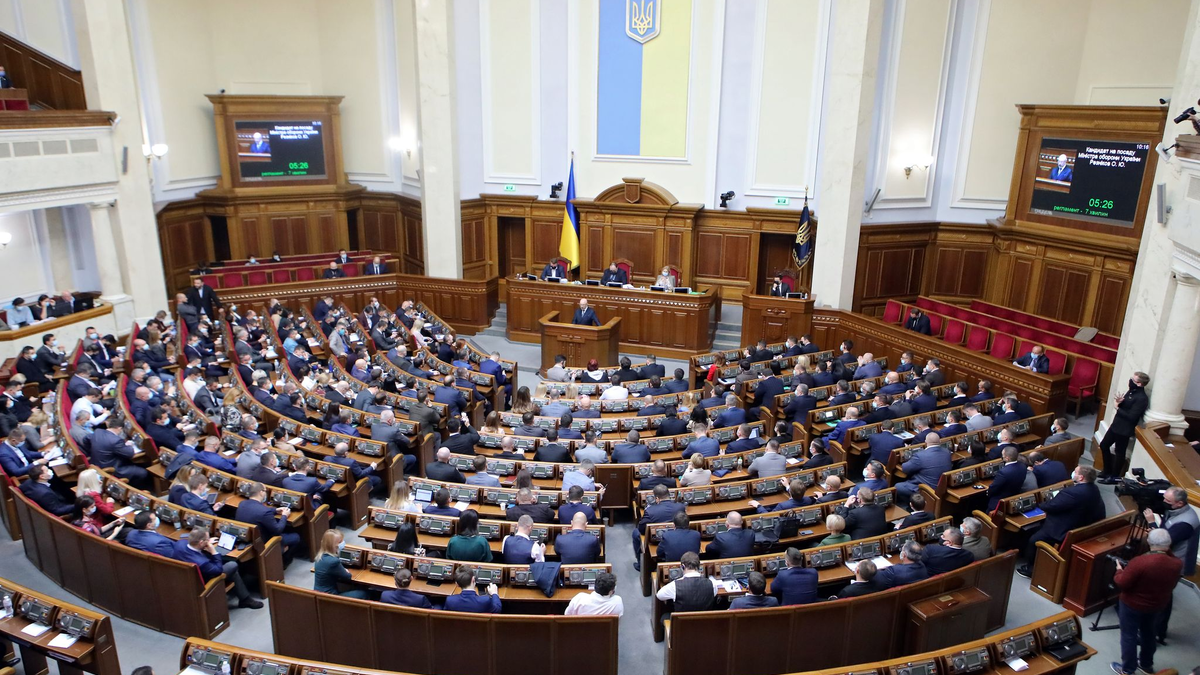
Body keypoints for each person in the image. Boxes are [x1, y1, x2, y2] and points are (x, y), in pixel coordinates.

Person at [1109, 529, 1181, 675]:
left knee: (1129, 636)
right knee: (1149, 634)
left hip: (1132, 605)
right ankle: (1146, 665)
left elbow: (1122, 583)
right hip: (1157, 605)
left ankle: (1128, 670)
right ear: (1169, 545)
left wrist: (1118, 570)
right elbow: (1170, 557)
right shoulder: (1177, 563)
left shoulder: (1140, 562)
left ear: (1148, 542)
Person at [1017, 465, 1105, 578]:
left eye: (1076, 472)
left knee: (1033, 540)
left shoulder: (1072, 492)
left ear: (1081, 477)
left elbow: (1052, 506)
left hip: (1061, 529)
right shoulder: (1094, 488)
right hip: (1080, 524)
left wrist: (1038, 504)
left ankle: (1030, 569)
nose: (1073, 472)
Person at [1141, 486, 1198, 644]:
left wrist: (1152, 524)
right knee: (1162, 594)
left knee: (1161, 597)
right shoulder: (1177, 510)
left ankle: (1156, 633)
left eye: (1167, 500)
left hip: (1175, 562)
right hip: (1169, 557)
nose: (1163, 502)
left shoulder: (1186, 522)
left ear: (1179, 503)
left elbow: (1163, 542)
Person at [173, 527, 262, 608]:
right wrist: (213, 551)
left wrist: (205, 543)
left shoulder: (180, 543)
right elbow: (218, 570)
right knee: (232, 564)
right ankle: (245, 600)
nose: (208, 541)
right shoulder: (202, 563)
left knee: (234, 572)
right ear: (201, 542)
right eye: (207, 540)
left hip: (183, 578)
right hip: (204, 581)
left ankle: (245, 599)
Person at [1098, 372, 1150, 484]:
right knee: (1104, 445)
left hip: (1125, 429)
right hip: (1116, 424)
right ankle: (1107, 470)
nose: (1130, 381)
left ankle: (1114, 476)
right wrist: (1120, 402)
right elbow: (1126, 406)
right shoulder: (1131, 391)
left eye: (1133, 379)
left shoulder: (1142, 398)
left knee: (1119, 452)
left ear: (1140, 383)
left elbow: (1132, 416)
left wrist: (1117, 408)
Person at [234, 481, 302, 563]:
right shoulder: (264, 512)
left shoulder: (242, 504)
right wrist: (284, 516)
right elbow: (277, 530)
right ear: (261, 492)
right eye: (265, 490)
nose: (266, 493)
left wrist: (275, 510)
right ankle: (285, 562)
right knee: (296, 536)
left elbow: (258, 510)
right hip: (264, 542)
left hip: (248, 539)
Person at [633, 484, 686, 569]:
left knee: (635, 532)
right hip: (678, 536)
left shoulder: (650, 511)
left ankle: (640, 564)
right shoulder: (680, 507)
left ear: (657, 499)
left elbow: (642, 529)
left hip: (657, 539)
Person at [895, 434, 952, 506]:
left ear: (925, 442)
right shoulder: (947, 452)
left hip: (926, 488)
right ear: (939, 441)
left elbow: (905, 469)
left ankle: (911, 506)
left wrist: (910, 460)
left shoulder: (920, 456)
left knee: (898, 486)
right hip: (941, 486)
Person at [986, 445, 1027, 511]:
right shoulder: (1023, 466)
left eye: (1002, 455)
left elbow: (994, 487)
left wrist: (988, 492)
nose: (1001, 457)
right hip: (1013, 499)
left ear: (1007, 458)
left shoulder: (1004, 472)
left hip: (998, 502)